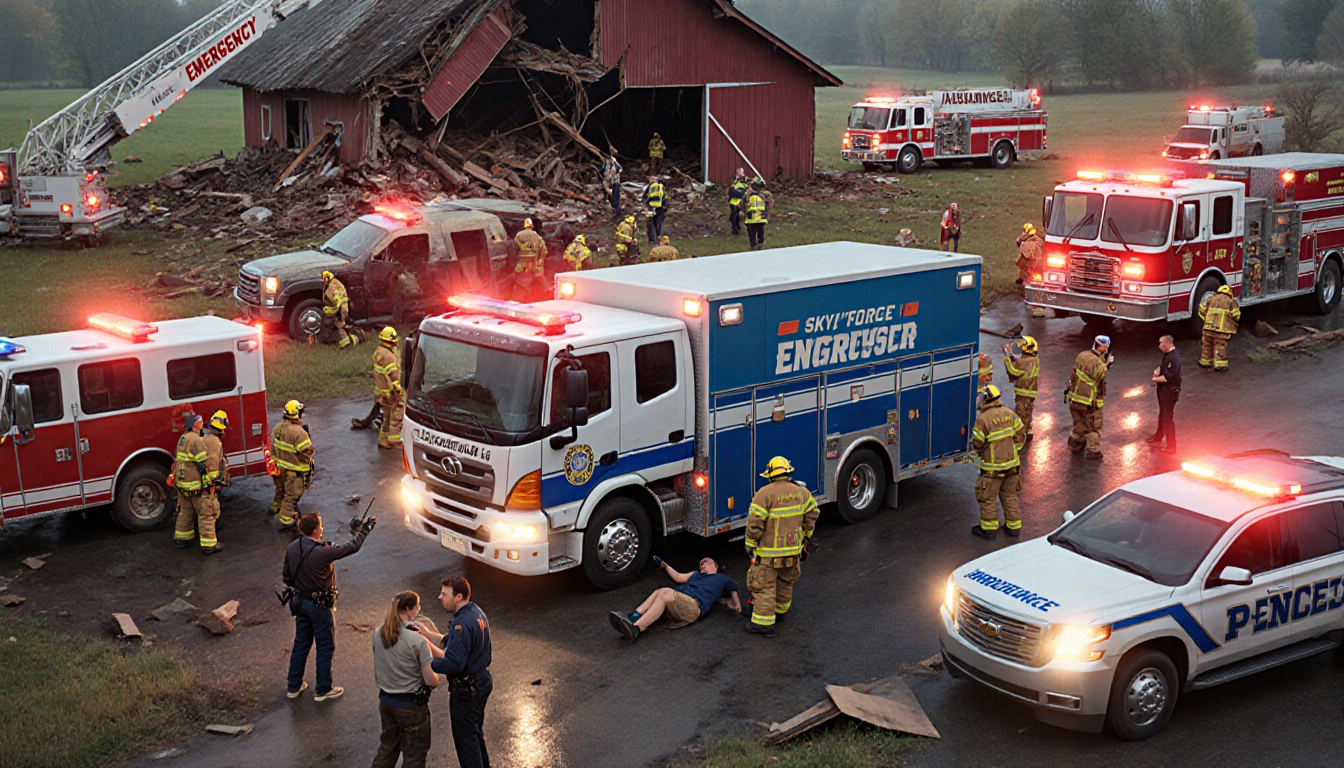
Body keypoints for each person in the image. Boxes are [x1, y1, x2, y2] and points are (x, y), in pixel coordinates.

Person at [284, 511, 376, 702]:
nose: (323, 528)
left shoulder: (293, 547)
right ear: (316, 529)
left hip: (300, 603)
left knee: (301, 643)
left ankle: (293, 686)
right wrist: (364, 531)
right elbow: (352, 547)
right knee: (325, 646)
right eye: (321, 525)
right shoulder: (322, 552)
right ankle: (323, 689)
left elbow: (286, 576)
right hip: (319, 606)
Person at [414, 577, 492, 768]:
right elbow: (450, 641)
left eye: (444, 594)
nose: (439, 597)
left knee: (466, 743)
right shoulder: (474, 612)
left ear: (458, 597)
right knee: (474, 735)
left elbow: (454, 663)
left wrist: (429, 663)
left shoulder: (462, 624)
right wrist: (426, 634)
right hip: (481, 681)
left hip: (466, 691)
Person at [744, 456, 819, 637]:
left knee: (764, 587)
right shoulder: (802, 492)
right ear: (787, 472)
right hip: (793, 552)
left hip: (768, 554)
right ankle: (781, 612)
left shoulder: (764, 494)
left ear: (770, 474)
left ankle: (764, 624)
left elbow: (755, 524)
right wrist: (805, 536)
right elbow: (813, 514)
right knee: (785, 583)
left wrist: (749, 543)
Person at [371, 591, 439, 768]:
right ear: (409, 609)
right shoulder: (417, 641)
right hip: (411, 707)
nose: (419, 609)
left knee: (387, 749)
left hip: (386, 702)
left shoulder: (378, 633)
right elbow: (432, 680)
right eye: (418, 606)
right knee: (414, 755)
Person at [608, 557, 740, 643]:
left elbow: (733, 592)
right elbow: (678, 577)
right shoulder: (696, 574)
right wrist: (665, 566)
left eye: (705, 562)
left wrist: (736, 605)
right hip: (680, 601)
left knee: (665, 592)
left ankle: (637, 628)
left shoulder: (723, 579)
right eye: (700, 564)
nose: (702, 565)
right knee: (659, 591)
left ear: (715, 566)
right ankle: (634, 616)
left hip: (693, 606)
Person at [971, 385, 1027, 539]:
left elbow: (978, 443)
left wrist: (981, 452)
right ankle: (1014, 527)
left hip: (992, 469)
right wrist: (1014, 449)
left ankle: (989, 529)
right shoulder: (1010, 414)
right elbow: (1021, 434)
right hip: (1013, 466)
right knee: (1010, 496)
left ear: (985, 399)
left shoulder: (983, 420)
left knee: (987, 497)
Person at [172, 413, 220, 553]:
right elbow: (201, 463)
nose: (202, 425)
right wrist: (208, 482)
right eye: (199, 423)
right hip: (194, 483)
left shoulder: (182, 438)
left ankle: (183, 538)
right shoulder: (196, 440)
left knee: (186, 511)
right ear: (194, 425)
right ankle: (209, 544)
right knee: (205, 512)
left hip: (182, 482)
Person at [1066, 335, 1112, 460]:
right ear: (1102, 347)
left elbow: (1076, 372)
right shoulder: (1099, 364)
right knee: (1093, 425)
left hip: (1074, 398)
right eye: (1106, 348)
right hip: (1088, 402)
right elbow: (1099, 376)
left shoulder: (1082, 355)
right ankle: (1093, 450)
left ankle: (1074, 444)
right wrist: (1106, 364)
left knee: (1079, 423)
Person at [272, 399, 314, 528]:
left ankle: (276, 508)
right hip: (293, 472)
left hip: (280, 469)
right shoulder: (299, 433)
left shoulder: (278, 428)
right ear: (297, 414)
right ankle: (286, 520)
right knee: (291, 496)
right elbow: (307, 450)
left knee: (281, 491)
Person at [1147, 334, 1182, 453]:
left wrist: (1155, 378)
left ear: (1168, 344)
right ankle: (1158, 436)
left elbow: (1169, 377)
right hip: (1164, 391)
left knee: (1167, 418)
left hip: (1169, 391)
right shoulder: (1168, 355)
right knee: (1163, 414)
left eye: (1161, 343)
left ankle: (1171, 447)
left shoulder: (1174, 358)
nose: (1159, 346)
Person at [372, 327, 405, 450]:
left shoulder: (378, 352)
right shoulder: (389, 356)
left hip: (381, 391)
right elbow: (394, 375)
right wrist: (398, 391)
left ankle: (383, 440)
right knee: (396, 415)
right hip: (390, 392)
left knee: (386, 416)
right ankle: (394, 440)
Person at [1003, 336, 1040, 440]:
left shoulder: (1022, 362)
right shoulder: (1034, 359)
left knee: (1022, 412)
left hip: (1023, 392)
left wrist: (1007, 359)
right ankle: (1028, 430)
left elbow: (1014, 372)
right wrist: (1011, 353)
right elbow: (1019, 359)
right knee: (1028, 410)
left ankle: (1020, 435)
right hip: (1031, 392)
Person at [1198, 285, 1241, 371]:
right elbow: (1236, 315)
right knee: (1219, 346)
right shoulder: (1231, 301)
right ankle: (1220, 365)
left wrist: (1206, 319)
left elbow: (1201, 310)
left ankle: (1205, 362)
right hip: (1221, 330)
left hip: (1208, 328)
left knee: (1207, 345)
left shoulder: (1211, 299)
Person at [511, 218, 547, 302]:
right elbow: (544, 251)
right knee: (538, 284)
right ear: (532, 226)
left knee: (520, 285)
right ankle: (540, 300)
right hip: (534, 264)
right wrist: (539, 263)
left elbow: (513, 250)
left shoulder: (518, 235)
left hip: (521, 265)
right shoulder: (537, 236)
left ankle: (516, 303)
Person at [322, 271, 359, 349]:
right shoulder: (335, 283)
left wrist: (342, 319)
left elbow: (341, 304)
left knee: (337, 330)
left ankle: (346, 343)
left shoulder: (333, 288)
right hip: (339, 311)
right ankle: (352, 338)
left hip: (338, 312)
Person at [1015, 223, 1045, 317]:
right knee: (1038, 285)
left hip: (1034, 267)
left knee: (1032, 285)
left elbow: (1026, 255)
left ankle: (1036, 307)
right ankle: (1038, 306)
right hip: (1041, 267)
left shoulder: (1027, 244)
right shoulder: (1040, 239)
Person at [745, 182, 768, 251]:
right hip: (755, 217)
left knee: (756, 232)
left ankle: (757, 244)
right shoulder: (749, 195)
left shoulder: (762, 195)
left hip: (756, 217)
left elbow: (768, 202)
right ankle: (756, 244)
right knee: (756, 232)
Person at [644, 175, 667, 244]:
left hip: (651, 207)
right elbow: (664, 197)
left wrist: (646, 206)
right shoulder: (661, 186)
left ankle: (652, 240)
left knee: (651, 224)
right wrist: (664, 206)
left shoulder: (650, 187)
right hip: (660, 208)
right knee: (658, 223)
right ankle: (658, 236)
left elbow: (645, 197)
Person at [727, 168, 749, 236]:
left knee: (738, 215)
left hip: (741, 201)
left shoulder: (745, 180)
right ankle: (735, 228)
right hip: (734, 202)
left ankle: (737, 227)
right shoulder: (734, 180)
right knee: (734, 215)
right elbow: (730, 191)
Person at [601, 153, 623, 219]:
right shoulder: (606, 163)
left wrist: (609, 176)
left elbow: (618, 170)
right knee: (606, 189)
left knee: (615, 195)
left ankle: (616, 208)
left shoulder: (615, 165)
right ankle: (607, 200)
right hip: (609, 180)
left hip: (615, 181)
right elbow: (604, 170)